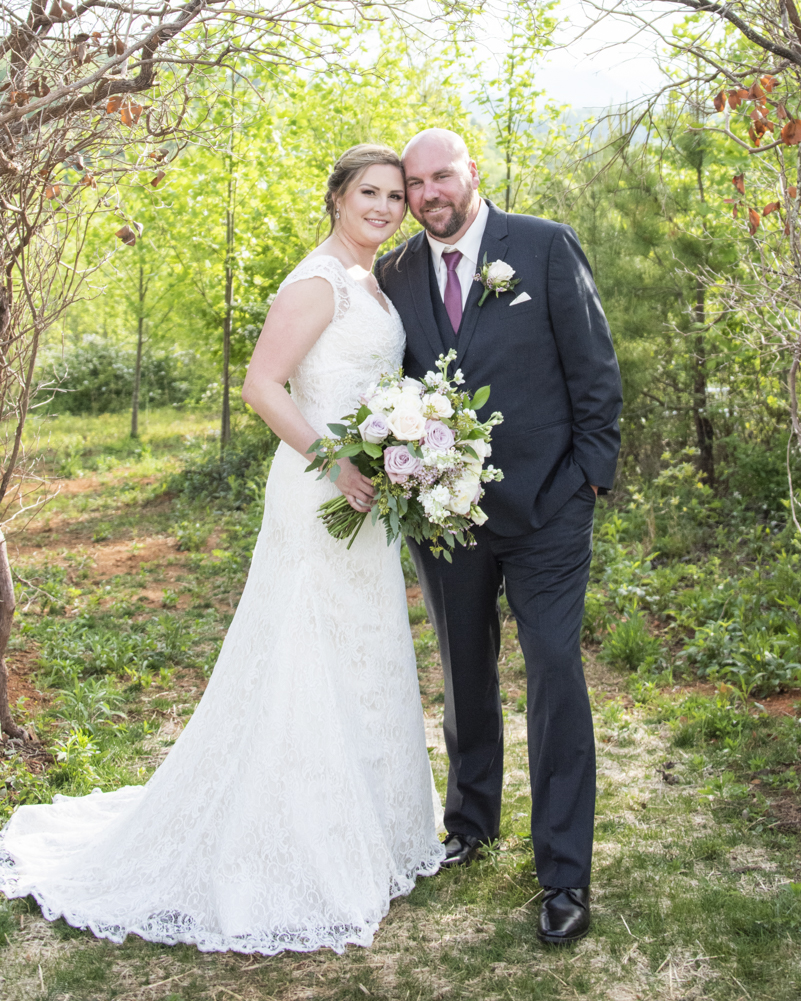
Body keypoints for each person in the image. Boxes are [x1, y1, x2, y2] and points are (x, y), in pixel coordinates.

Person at [0, 144, 444, 955]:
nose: (384, 207)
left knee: (361, 650)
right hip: (319, 490)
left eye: (394, 196)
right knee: (303, 652)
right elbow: (262, 386)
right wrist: (335, 459)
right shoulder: (316, 282)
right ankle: (294, 839)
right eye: (368, 193)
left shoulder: (373, 279)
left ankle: (366, 826)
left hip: (366, 496)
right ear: (337, 198)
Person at [376, 129, 622, 945]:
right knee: (463, 670)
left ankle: (563, 875)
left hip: (549, 507)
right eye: (414, 183)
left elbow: (593, 368)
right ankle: (470, 823)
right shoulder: (395, 272)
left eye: (441, 176)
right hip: (444, 519)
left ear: (471, 174)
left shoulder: (543, 248)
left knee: (554, 673)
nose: (428, 194)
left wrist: (588, 477)